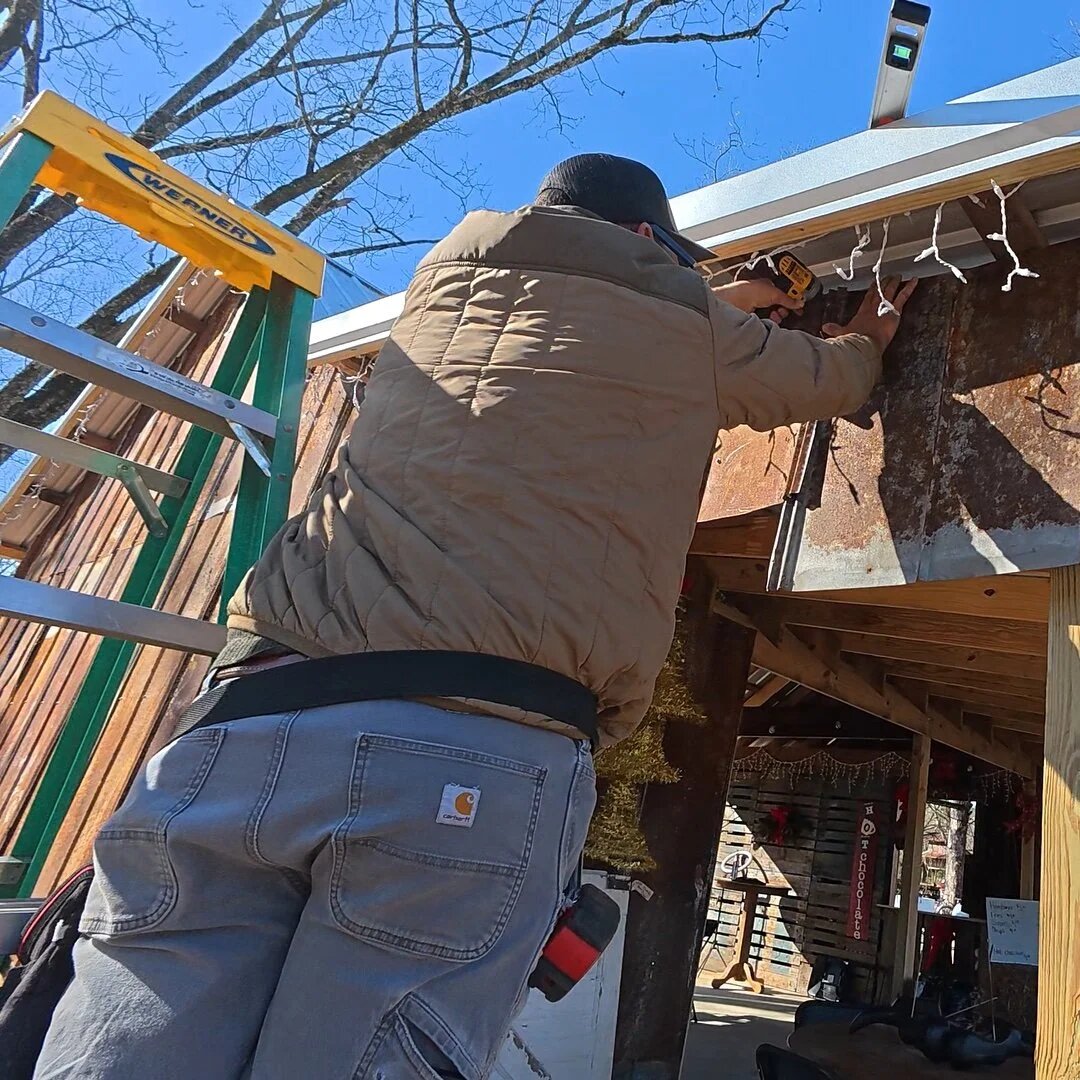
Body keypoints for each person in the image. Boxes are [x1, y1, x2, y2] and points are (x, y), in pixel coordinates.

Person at [35, 154, 916, 1079]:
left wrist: (724, 294)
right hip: (468, 753)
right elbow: (829, 382)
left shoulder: (439, 288)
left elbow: (587, 300)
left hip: (249, 725)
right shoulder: (692, 323)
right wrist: (868, 330)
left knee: (125, 1047)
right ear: (653, 243)